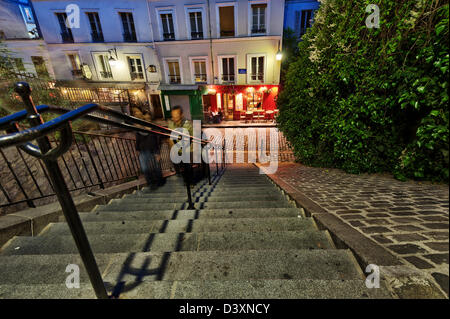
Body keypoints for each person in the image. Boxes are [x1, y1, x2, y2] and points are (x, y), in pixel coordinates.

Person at [134, 112, 164, 189]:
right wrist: (137, 149)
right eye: (145, 118)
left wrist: (158, 152)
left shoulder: (154, 128)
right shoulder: (140, 128)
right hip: (143, 150)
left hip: (153, 150)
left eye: (148, 118)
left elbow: (158, 140)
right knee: (145, 168)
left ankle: (160, 182)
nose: (147, 120)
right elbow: (138, 139)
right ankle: (151, 183)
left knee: (156, 167)